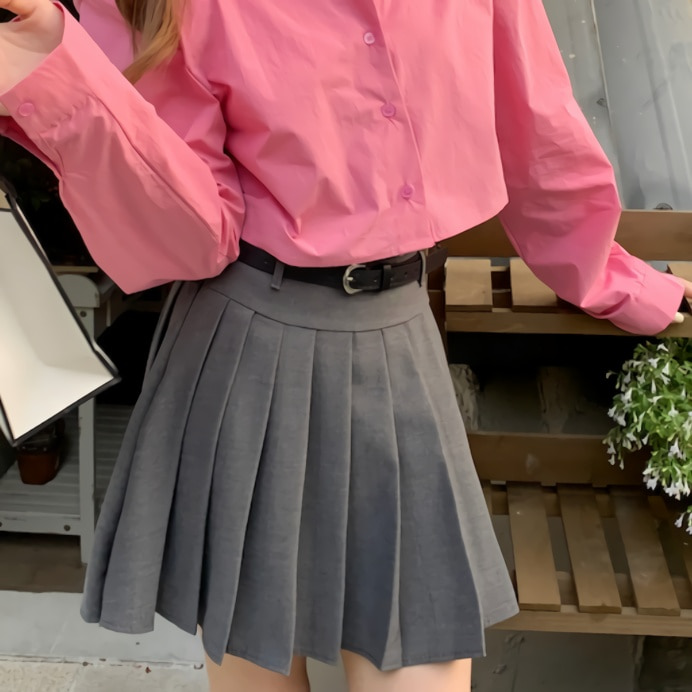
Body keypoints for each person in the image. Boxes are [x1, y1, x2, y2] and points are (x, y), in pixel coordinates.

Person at [1, 1, 690, 690]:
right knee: (258, 669)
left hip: (398, 340)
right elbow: (187, 233)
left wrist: (615, 280)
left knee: (423, 652)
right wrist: (56, 64)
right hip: (243, 348)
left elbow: (537, 126)